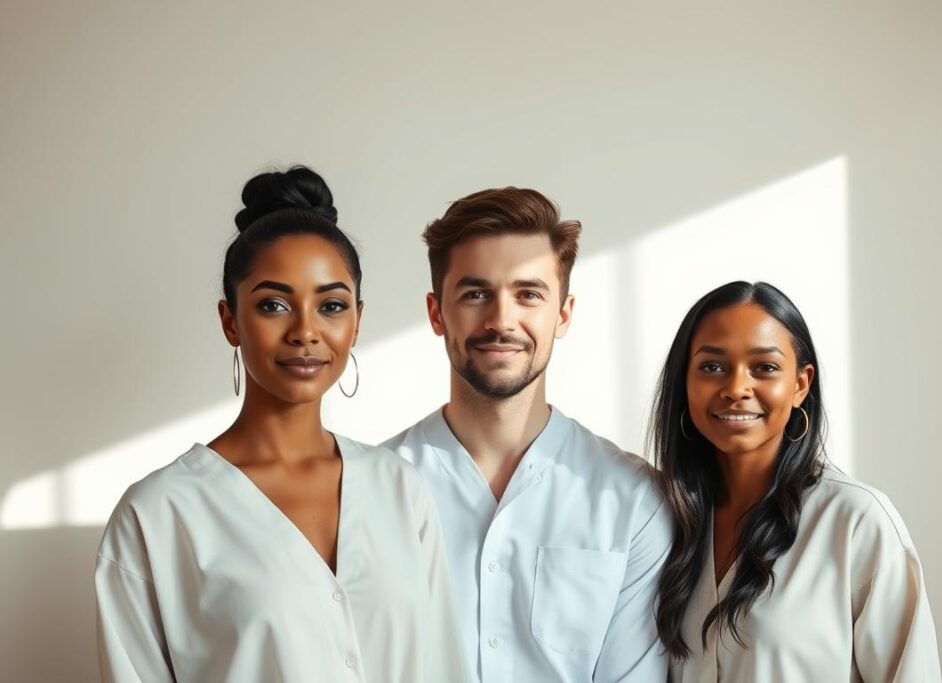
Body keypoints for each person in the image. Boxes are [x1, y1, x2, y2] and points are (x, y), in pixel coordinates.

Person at [94, 166, 468, 683]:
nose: (305, 332)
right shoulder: (159, 515)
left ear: (356, 320)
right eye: (274, 305)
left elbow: (442, 668)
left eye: (331, 305)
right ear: (230, 320)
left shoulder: (400, 489)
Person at [382, 187, 673, 682]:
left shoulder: (633, 500)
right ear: (436, 312)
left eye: (528, 294)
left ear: (562, 312)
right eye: (475, 293)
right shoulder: (372, 488)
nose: (501, 320)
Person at [650, 281, 941, 682]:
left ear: (800, 384)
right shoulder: (660, 516)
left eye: (764, 368)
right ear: (685, 381)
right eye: (712, 367)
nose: (736, 388)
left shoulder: (856, 523)